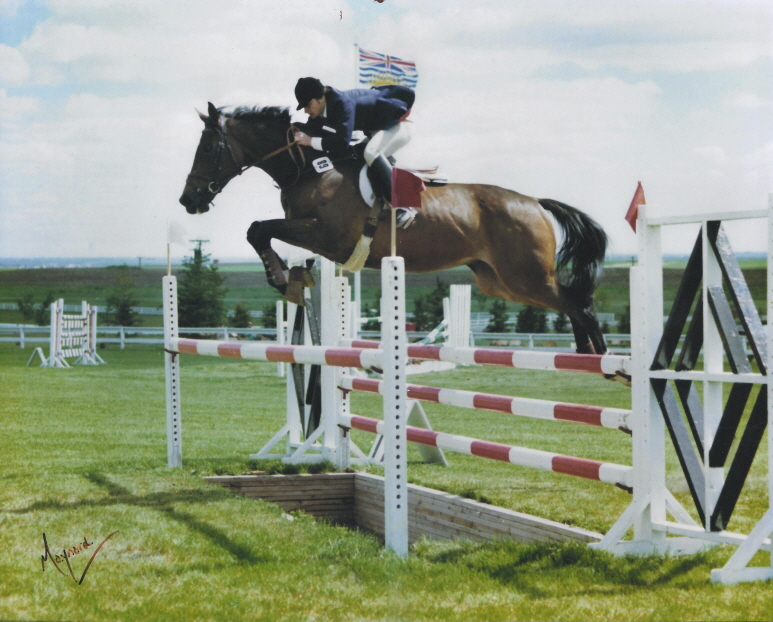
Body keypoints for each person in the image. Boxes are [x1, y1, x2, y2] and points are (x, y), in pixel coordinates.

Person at [292, 77, 417, 228]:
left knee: (371, 152)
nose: (306, 110)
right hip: (378, 131)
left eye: (308, 105)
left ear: (320, 98)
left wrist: (311, 141)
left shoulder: (343, 103)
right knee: (357, 153)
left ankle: (404, 206)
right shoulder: (324, 109)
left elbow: (342, 142)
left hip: (399, 127)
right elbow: (310, 130)